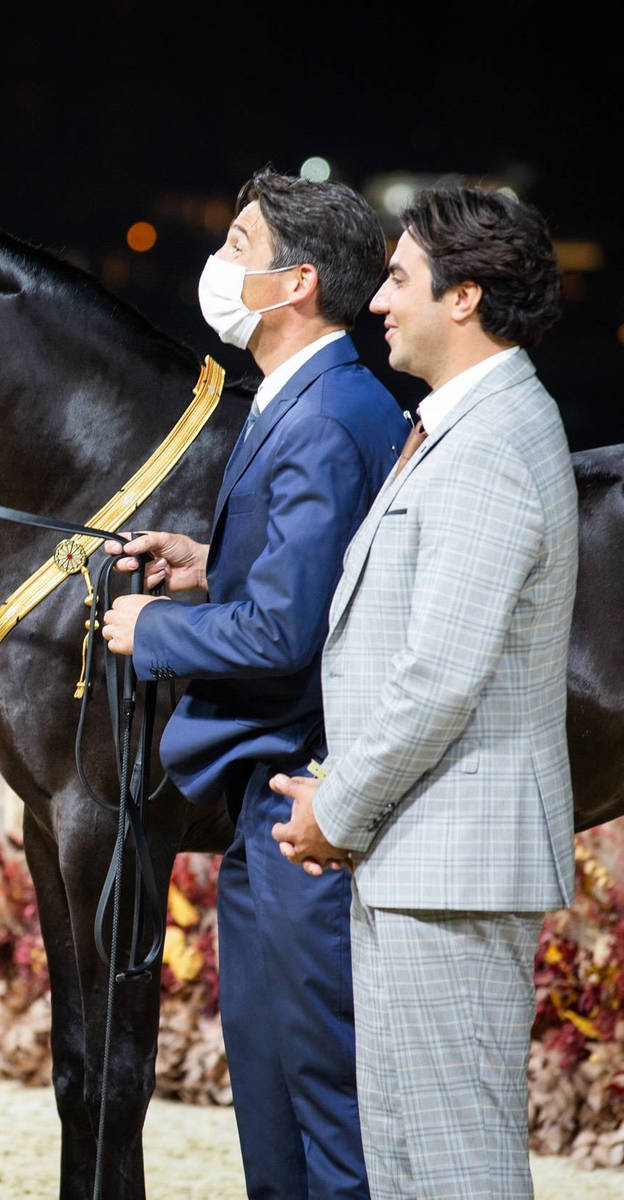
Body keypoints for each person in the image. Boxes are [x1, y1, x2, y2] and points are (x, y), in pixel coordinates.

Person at [99, 169, 407, 1199]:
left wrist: (156, 630)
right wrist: (209, 566)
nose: (218, 263)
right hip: (270, 803)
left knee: (315, 1104)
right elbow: (312, 582)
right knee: (273, 1092)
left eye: (239, 244)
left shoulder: (323, 414)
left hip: (297, 797)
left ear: (296, 283)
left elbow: (285, 632)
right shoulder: (313, 396)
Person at [271, 187, 577, 1200]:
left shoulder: (489, 442)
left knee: (454, 1168)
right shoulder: (464, 424)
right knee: (407, 1163)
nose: (377, 302)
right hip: (422, 859)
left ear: (465, 297)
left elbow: (439, 674)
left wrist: (338, 807)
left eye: (399, 279)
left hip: (452, 865)